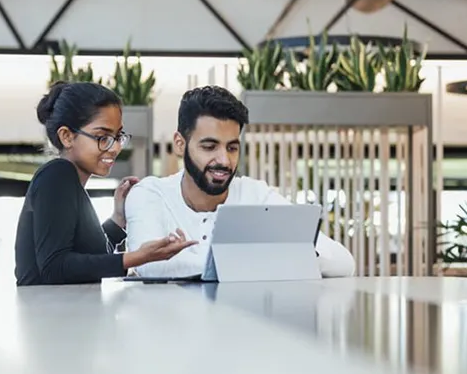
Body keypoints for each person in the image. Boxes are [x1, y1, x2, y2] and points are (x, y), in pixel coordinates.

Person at [123, 85, 356, 279]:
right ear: (180, 143)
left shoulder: (256, 195)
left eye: (232, 147)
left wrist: (213, 262)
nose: (224, 160)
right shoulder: (149, 193)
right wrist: (274, 258)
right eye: (209, 146)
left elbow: (343, 263)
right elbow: (149, 266)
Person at [14, 81, 196, 286]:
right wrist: (138, 257)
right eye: (102, 137)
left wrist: (118, 220)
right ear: (66, 136)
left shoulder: (71, 185)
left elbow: (90, 258)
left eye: (118, 136)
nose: (115, 147)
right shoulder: (57, 174)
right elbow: (55, 268)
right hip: (48, 315)